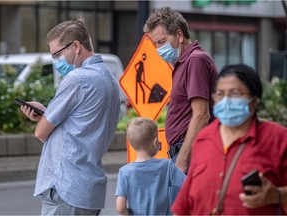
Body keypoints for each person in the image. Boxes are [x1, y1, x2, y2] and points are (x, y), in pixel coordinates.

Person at [19, 20, 120, 215]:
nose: (57, 61)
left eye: (57, 54)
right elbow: (80, 123)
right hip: (89, 188)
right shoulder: (109, 80)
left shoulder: (76, 79)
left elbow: (41, 133)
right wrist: (47, 112)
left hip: (66, 186)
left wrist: (42, 118)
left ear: (76, 45)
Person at [171, 63, 287, 215]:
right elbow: (183, 206)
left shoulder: (278, 139)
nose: (226, 101)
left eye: (234, 94)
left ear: (254, 100)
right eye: (220, 94)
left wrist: (277, 195)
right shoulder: (203, 140)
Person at [143, 7, 217, 173]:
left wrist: (182, 162)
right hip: (184, 152)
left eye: (161, 42)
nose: (158, 49)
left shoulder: (195, 60)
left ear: (180, 35)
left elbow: (201, 115)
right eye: (155, 44)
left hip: (189, 154)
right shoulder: (184, 62)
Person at [115, 117, 186, 215]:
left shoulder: (124, 172)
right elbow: (188, 186)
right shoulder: (166, 165)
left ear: (131, 144)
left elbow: (120, 207)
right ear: (156, 142)